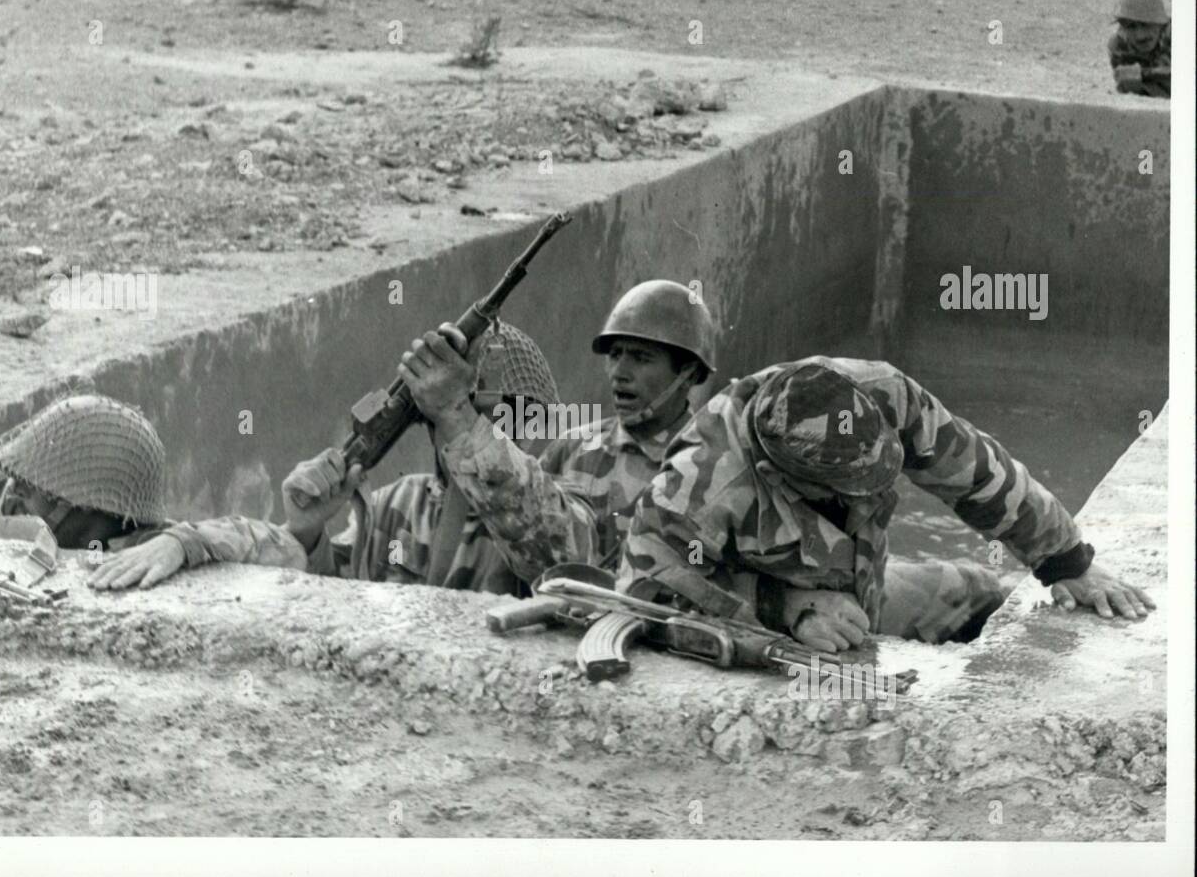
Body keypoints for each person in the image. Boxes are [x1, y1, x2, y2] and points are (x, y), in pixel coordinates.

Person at [617, 357, 1155, 653]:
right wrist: (783, 607)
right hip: (779, 614)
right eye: (840, 489)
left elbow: (979, 473)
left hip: (866, 587)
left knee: (984, 594)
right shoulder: (698, 488)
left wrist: (1065, 562)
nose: (861, 497)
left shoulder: (878, 394)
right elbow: (644, 595)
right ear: (770, 475)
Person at [88, 323, 593, 594]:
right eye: (447, 415)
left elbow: (558, 558)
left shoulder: (560, 515)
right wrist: (304, 529)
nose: (467, 431)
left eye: (492, 419)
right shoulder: (397, 506)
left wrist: (463, 420)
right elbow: (326, 596)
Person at [417, 279, 719, 582]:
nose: (619, 373)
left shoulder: (709, 466)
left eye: (641, 358)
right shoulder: (575, 447)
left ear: (688, 373)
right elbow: (518, 534)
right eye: (615, 355)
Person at [0, 393, 303, 580]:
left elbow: (287, 548)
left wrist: (186, 544)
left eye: (31, 485)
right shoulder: (12, 507)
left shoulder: (141, 546)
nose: (11, 491)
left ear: (86, 506)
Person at [1108, 0, 1170, 98]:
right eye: (1131, 26)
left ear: (1160, 24)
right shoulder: (1119, 46)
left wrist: (1142, 74)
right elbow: (1128, 87)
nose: (1140, 35)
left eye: (1146, 24)